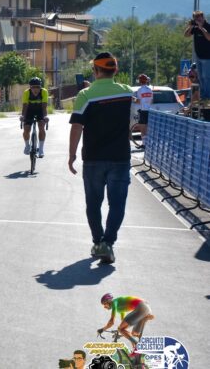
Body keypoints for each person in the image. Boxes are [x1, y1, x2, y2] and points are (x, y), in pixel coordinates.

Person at [68, 53, 133, 265]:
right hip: (120, 158)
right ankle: (108, 243)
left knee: (93, 203)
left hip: (93, 158)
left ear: (95, 71)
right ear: (115, 70)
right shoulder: (127, 93)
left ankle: (98, 242)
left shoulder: (86, 95)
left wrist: (71, 155)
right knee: (117, 204)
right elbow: (138, 120)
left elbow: (77, 126)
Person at [183, 10, 210, 101]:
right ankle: (203, 95)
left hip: (207, 57)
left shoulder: (208, 26)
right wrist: (190, 27)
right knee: (201, 77)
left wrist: (201, 28)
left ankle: (208, 95)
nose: (197, 20)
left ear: (203, 17)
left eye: (199, 18)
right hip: (198, 56)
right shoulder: (195, 28)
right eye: (195, 18)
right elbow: (186, 35)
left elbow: (209, 37)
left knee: (206, 77)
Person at [21, 77, 49, 157]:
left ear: (40, 87)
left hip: (40, 110)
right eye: (33, 87)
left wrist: (45, 117)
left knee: (41, 126)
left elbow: (44, 106)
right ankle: (27, 146)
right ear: (30, 87)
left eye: (38, 87)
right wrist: (23, 116)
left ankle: (41, 149)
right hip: (29, 110)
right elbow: (25, 106)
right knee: (26, 129)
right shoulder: (27, 92)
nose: (35, 89)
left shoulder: (44, 92)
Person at [134, 73, 153, 139]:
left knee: (143, 131)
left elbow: (138, 101)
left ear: (140, 81)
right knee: (148, 130)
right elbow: (151, 101)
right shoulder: (150, 89)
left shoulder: (140, 90)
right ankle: (147, 143)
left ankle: (144, 143)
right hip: (149, 111)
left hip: (143, 111)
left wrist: (133, 99)